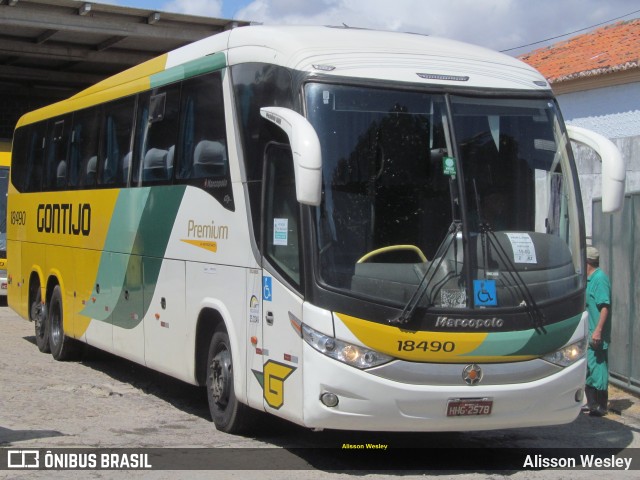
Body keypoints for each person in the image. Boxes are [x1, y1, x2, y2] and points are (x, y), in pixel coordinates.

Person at [583, 246, 612, 417]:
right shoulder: (589, 279)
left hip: (596, 331)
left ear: (588, 263)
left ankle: (601, 405)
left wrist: (598, 330)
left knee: (598, 366)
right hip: (589, 330)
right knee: (590, 366)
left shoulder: (599, 279)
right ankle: (591, 403)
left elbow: (604, 307)